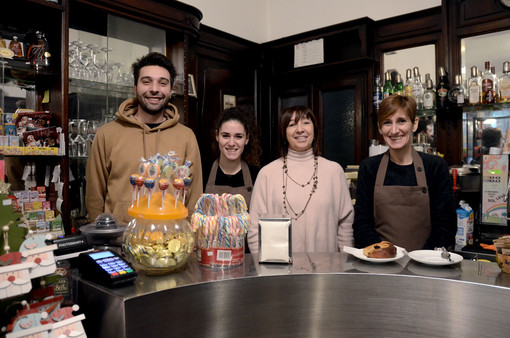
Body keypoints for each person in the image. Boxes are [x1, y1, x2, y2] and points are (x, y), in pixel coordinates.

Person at [86, 52, 203, 224]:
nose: (154, 89)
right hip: (119, 242)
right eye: (146, 81)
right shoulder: (107, 134)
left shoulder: (186, 137)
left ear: (171, 91)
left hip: (171, 242)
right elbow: (94, 197)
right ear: (135, 87)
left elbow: (194, 197)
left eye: (162, 83)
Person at [353, 95, 456, 251]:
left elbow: (445, 224)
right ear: (380, 128)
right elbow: (362, 225)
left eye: (401, 121)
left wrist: (422, 258)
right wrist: (385, 255)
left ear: (414, 124)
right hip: (381, 264)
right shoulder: (369, 168)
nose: (394, 130)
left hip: (426, 264)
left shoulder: (435, 167)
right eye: (387, 122)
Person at [247, 106, 354, 253]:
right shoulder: (267, 174)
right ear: (284, 134)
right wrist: (263, 268)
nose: (300, 129)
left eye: (305, 122)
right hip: (279, 271)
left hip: (326, 270)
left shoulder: (334, 172)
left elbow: (345, 225)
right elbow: (254, 229)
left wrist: (344, 263)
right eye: (291, 124)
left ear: (314, 130)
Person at [205, 106, 262, 208]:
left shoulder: (257, 176)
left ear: (247, 139)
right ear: (217, 136)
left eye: (238, 136)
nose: (231, 143)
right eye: (226, 136)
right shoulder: (203, 172)